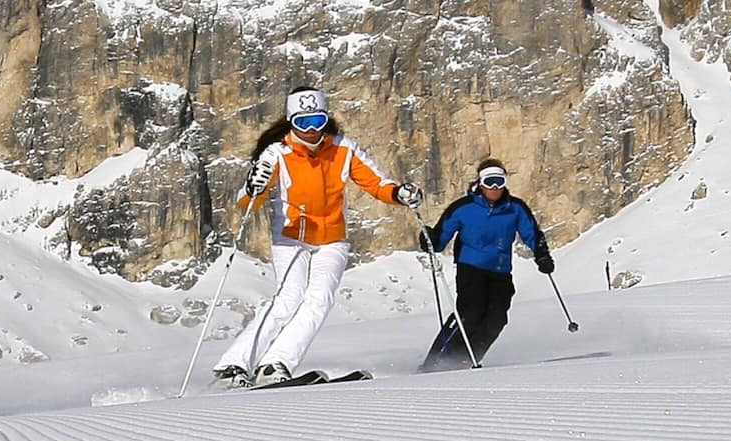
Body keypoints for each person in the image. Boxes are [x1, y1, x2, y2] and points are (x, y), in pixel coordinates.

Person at [210, 86, 425, 388]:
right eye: (303, 122)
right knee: (288, 298)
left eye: (318, 121)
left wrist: (400, 194)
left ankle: (276, 363)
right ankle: (232, 366)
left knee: (320, 299)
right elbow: (248, 202)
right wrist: (252, 188)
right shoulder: (277, 153)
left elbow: (377, 183)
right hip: (291, 238)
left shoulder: (343, 149)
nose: (311, 130)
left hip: (332, 239)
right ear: (290, 121)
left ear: (326, 119)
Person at [417, 159, 554, 372]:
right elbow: (440, 238)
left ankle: (465, 359)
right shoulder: (463, 208)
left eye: (499, 181)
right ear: (480, 183)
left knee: (497, 319)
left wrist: (542, 255)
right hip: (470, 268)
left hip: (500, 271)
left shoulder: (515, 208)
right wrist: (430, 240)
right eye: (490, 182)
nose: (495, 188)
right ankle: (438, 362)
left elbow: (531, 233)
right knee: (470, 314)